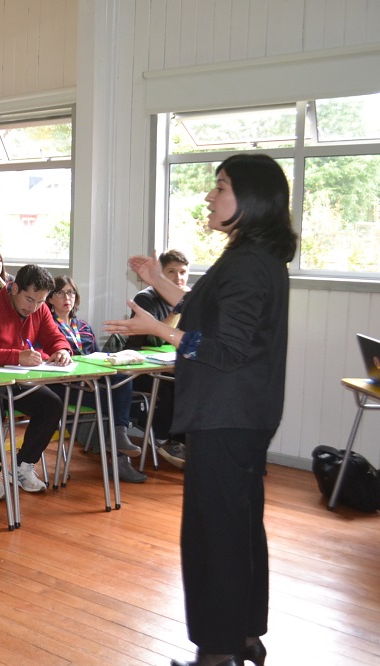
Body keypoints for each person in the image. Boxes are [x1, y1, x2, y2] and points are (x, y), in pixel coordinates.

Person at [105, 153, 296, 666]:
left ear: (251, 199)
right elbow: (210, 308)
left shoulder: (250, 262)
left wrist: (161, 331)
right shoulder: (252, 257)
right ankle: (244, 635)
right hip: (240, 414)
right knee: (237, 524)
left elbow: (223, 347)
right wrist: (160, 284)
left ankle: (217, 651)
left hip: (227, 414)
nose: (211, 196)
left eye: (222, 187)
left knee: (216, 533)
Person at [0, 264, 70, 498]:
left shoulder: (39, 310)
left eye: (40, 302)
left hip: (15, 382)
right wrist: (16, 356)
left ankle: (22, 465)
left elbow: (55, 337)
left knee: (52, 405)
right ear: (14, 288)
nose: (34, 307)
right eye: (29, 299)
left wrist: (62, 350)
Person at [46, 276, 145, 483]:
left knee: (122, 380)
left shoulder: (83, 326)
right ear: (50, 299)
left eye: (71, 292)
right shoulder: (47, 326)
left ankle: (118, 440)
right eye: (61, 293)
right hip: (64, 385)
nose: (67, 297)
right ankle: (120, 459)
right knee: (113, 400)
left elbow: (97, 357)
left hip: (90, 382)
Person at [128, 249, 191, 469]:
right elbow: (154, 340)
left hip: (171, 365)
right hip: (140, 372)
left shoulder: (190, 298)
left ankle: (185, 441)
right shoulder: (146, 298)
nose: (178, 278)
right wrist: (178, 309)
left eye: (183, 272)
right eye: (171, 272)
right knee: (172, 382)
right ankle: (165, 438)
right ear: (160, 275)